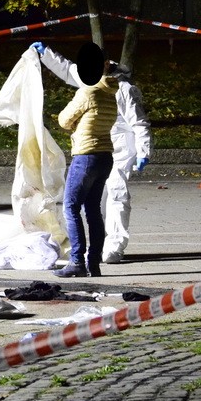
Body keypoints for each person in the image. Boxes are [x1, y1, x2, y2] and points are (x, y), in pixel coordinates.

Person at [32, 41, 152, 264]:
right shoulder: (91, 74)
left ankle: (114, 246)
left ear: (106, 64)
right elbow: (68, 70)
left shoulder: (124, 89)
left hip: (121, 145)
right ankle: (98, 248)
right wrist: (45, 54)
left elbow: (139, 122)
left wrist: (143, 150)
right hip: (100, 145)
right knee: (96, 202)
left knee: (115, 192)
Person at [46, 42, 118, 277]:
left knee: (71, 206)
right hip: (105, 155)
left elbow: (64, 120)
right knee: (93, 209)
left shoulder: (88, 92)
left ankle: (76, 261)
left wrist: (75, 124)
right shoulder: (110, 92)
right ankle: (93, 263)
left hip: (85, 156)